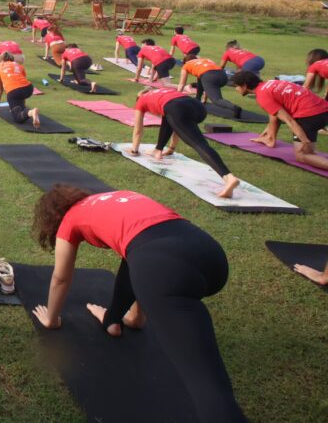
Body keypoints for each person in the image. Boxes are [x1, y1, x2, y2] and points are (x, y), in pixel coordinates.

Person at [30, 186, 246, 422]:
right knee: (138, 254)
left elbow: (61, 278)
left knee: (208, 387)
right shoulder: (118, 196)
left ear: (53, 216)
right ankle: (119, 319)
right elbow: (138, 250)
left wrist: (51, 319)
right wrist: (125, 314)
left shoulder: (69, 221)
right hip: (209, 254)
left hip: (167, 267)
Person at [128, 88, 240, 198]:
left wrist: (134, 150)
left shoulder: (141, 101)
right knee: (171, 119)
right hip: (198, 107)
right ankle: (158, 150)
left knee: (199, 144)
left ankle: (229, 178)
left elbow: (138, 130)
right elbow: (175, 124)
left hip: (177, 109)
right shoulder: (163, 92)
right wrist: (171, 149)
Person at [231, 72, 328, 171]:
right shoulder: (271, 83)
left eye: (236, 86)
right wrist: (270, 136)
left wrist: (305, 140)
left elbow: (289, 120)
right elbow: (274, 115)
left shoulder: (262, 96)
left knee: (302, 155)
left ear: (244, 86)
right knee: (308, 150)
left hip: (310, 116)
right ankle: (270, 139)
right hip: (324, 109)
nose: (236, 89)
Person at [177, 55, 242, 117]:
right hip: (223, 76)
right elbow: (205, 83)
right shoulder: (205, 60)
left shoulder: (186, 65)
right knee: (200, 79)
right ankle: (198, 99)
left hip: (210, 77)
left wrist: (176, 97)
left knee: (217, 100)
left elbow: (182, 84)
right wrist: (204, 99)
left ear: (185, 62)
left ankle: (234, 107)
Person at [0, 52, 40, 127]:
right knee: (19, 99)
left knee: (18, 118)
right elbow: (21, 82)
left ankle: (32, 112)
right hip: (28, 88)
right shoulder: (18, 65)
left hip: (14, 92)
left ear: (1, 59)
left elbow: (0, 89)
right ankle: (23, 108)